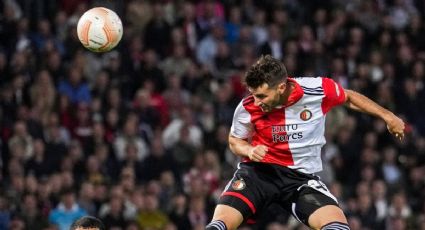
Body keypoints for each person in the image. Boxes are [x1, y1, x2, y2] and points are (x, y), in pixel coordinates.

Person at [205, 55, 405, 230]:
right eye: (253, 94)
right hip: (258, 174)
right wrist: (248, 149)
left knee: (338, 227)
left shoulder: (317, 90)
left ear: (281, 87)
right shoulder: (248, 106)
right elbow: (234, 140)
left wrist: (387, 116)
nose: (256, 101)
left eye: (262, 96)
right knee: (218, 225)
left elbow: (349, 97)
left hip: (300, 180)